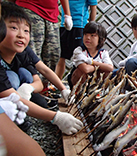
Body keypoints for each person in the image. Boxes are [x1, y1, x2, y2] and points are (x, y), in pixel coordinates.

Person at [0, 1, 83, 135]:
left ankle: (19, 112)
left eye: (26, 30)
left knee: (36, 95)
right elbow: (11, 95)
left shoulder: (23, 51)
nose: (21, 35)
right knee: (13, 78)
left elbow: (43, 71)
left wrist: (63, 89)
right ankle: (9, 118)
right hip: (7, 93)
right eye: (14, 28)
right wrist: (56, 118)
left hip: (12, 92)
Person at [9, 0, 72, 89]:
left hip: (52, 15)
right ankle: (31, 88)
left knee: (53, 54)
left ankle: (43, 88)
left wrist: (67, 15)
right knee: (33, 53)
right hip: (30, 8)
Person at [55, 0, 98, 80]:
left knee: (80, 57)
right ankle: (56, 83)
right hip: (64, 25)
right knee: (61, 56)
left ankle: (78, 84)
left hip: (79, 26)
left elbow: (93, 8)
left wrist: (91, 26)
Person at [68, 21, 113, 89]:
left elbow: (110, 68)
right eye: (86, 34)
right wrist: (99, 67)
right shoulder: (79, 51)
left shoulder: (103, 52)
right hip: (79, 81)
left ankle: (97, 90)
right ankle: (78, 92)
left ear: (101, 39)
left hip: (94, 81)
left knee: (106, 72)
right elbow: (85, 69)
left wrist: (92, 62)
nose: (88, 38)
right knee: (80, 71)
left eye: (92, 35)